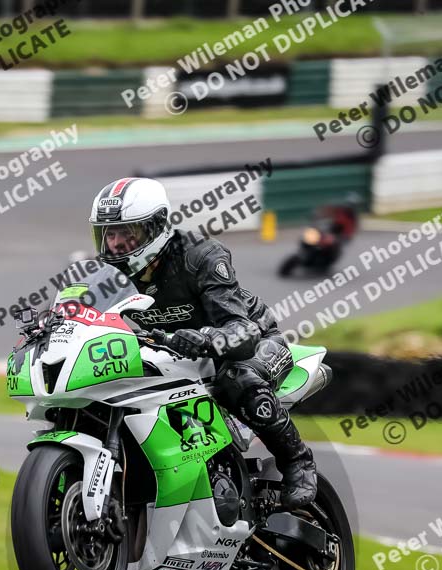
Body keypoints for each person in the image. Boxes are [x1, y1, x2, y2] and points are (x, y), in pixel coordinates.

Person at [89, 177, 317, 509]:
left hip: (254, 342)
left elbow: (242, 331)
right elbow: (84, 314)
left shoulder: (200, 255)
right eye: (109, 234)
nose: (116, 244)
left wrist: (207, 338)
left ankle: (298, 462)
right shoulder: (111, 276)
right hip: (178, 355)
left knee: (236, 378)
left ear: (155, 227)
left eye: (127, 233)